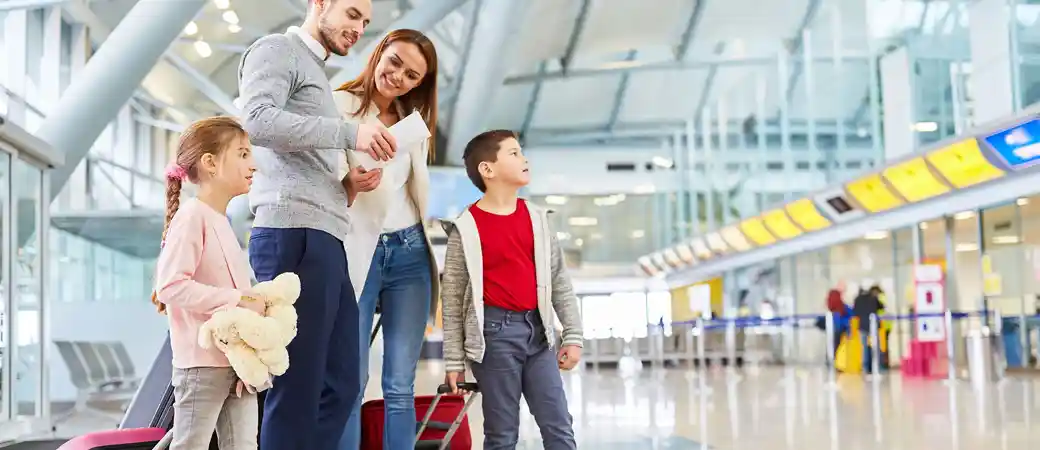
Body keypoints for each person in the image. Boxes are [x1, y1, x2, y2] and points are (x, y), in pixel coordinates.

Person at [236, 0, 397, 448]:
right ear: (319, 4)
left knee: (342, 382)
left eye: (364, 22)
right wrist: (349, 134)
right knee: (298, 384)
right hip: (293, 234)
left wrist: (346, 182)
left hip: (325, 235)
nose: (358, 28)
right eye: (351, 14)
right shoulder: (277, 50)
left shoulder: (316, 74)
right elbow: (258, 121)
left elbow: (299, 148)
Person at [440, 130, 584, 450]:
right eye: (514, 153)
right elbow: (451, 299)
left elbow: (559, 281)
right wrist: (453, 362)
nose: (525, 159)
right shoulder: (466, 227)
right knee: (502, 433)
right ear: (487, 170)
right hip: (494, 336)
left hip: (540, 333)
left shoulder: (538, 219)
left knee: (559, 424)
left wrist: (573, 335)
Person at [332, 29, 439, 450]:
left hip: (410, 250)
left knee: (399, 384)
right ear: (379, 53)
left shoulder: (412, 122)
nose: (398, 76)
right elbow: (316, 180)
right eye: (394, 61)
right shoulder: (336, 105)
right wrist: (348, 184)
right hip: (359, 249)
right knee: (349, 379)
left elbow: (414, 191)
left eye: (411, 75)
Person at [152, 117, 263, 450]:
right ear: (211, 163)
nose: (253, 165)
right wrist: (238, 300)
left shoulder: (221, 222)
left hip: (237, 364)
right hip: (202, 365)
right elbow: (170, 286)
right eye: (243, 154)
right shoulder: (192, 217)